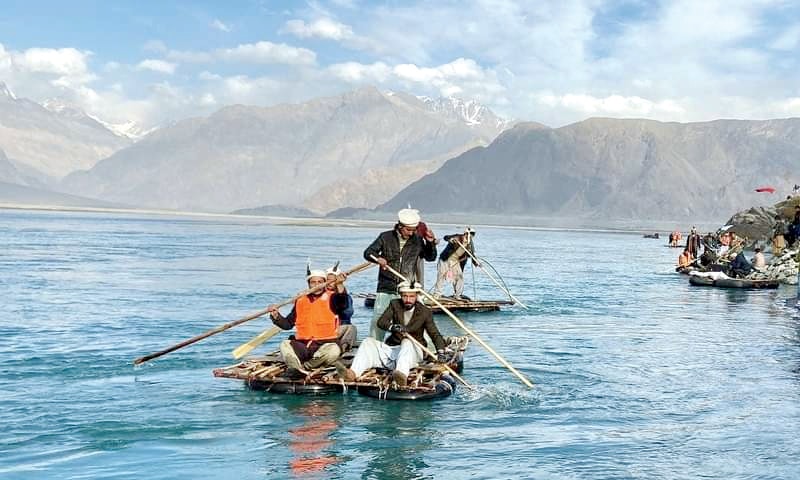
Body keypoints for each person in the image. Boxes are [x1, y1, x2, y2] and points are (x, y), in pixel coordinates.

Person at [337, 281, 447, 387]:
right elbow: (381, 322)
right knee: (368, 342)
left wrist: (441, 352)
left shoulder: (425, 311)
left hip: (413, 351)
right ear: (400, 295)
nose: (408, 300)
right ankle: (352, 373)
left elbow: (435, 334)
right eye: (405, 296)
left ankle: (401, 375)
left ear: (416, 296)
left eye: (411, 296)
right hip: (393, 350)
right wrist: (392, 327)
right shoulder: (395, 304)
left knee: (407, 342)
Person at [363, 208, 437, 340]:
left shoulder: (418, 240)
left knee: (418, 319)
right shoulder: (385, 237)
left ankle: (423, 349)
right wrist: (378, 258)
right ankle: (375, 346)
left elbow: (430, 257)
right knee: (378, 320)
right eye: (408, 230)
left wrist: (430, 242)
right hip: (387, 285)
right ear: (400, 226)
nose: (411, 233)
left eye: (413, 230)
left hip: (407, 287)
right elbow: (368, 252)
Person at [268, 266, 350, 379]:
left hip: (324, 345)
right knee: (284, 345)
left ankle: (304, 367)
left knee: (334, 351)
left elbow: (343, 304)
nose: (316, 285)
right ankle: (297, 368)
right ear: (309, 284)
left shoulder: (332, 297)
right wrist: (276, 316)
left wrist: (340, 284)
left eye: (320, 282)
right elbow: (287, 324)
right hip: (303, 345)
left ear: (325, 283)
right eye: (313, 282)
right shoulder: (301, 300)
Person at [432, 227, 480, 299]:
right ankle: (437, 294)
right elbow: (446, 237)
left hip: (455, 261)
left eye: (473, 234)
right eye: (470, 234)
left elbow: (471, 254)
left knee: (459, 277)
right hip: (445, 259)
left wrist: (476, 263)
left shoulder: (470, 244)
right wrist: (451, 239)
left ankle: (458, 295)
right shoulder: (458, 237)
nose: (470, 236)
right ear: (465, 233)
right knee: (441, 276)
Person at [325, 263, 356, 352]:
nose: (330, 283)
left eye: (333, 281)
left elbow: (347, 313)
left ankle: (344, 350)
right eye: (328, 280)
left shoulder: (345, 297)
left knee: (351, 328)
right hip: (323, 330)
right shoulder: (319, 295)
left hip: (338, 328)